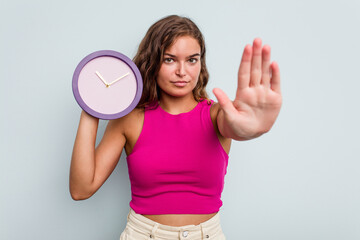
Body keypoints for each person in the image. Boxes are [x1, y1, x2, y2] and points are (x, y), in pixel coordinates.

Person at [70, 15, 282, 240]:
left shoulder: (217, 114)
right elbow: (81, 189)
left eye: (192, 60)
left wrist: (253, 129)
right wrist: (91, 107)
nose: (182, 71)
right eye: (170, 59)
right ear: (152, 62)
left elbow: (237, 128)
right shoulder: (129, 119)